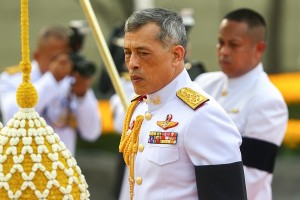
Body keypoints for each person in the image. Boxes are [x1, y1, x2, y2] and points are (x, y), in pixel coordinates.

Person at [118, 7, 247, 200]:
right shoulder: (140, 108)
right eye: (128, 53)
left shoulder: (201, 115)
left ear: (177, 55)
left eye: (143, 53)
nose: (132, 63)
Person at [195, 8, 288, 200]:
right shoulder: (203, 83)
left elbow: (250, 178)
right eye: (220, 42)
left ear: (259, 49)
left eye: (234, 45)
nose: (223, 51)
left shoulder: (268, 100)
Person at [0, 25, 101, 156]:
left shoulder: (71, 80)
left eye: (66, 57)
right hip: (23, 168)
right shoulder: (12, 78)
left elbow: (91, 132)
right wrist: (52, 80)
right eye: (55, 58)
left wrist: (82, 95)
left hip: (63, 170)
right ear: (37, 56)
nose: (62, 63)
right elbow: (12, 116)